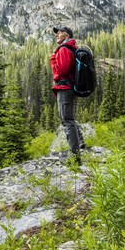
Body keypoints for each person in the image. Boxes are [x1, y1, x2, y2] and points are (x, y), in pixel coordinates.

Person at [50, 26, 85, 165]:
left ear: (67, 35)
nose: (57, 34)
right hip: (70, 87)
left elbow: (62, 71)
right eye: (56, 33)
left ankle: (75, 158)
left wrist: (53, 60)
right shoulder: (70, 48)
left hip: (65, 87)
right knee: (69, 118)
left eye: (59, 32)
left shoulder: (64, 49)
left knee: (67, 120)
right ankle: (80, 142)